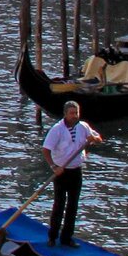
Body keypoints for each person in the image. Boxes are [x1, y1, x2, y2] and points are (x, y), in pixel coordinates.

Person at [41, 101, 101, 247]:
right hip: (61, 171)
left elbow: (98, 138)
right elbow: (46, 150)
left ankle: (66, 238)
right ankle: (52, 237)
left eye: (76, 113)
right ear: (65, 114)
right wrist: (54, 166)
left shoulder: (83, 126)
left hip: (76, 171)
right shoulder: (57, 130)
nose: (75, 116)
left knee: (73, 206)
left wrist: (94, 139)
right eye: (72, 113)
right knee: (59, 205)